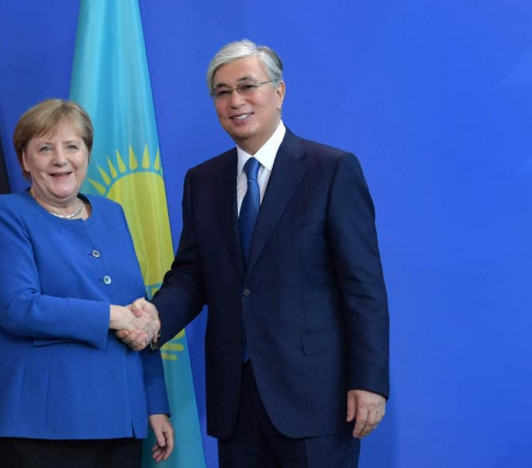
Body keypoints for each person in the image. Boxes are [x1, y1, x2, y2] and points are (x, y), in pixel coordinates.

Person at [123, 39, 389, 467]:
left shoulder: (331, 170)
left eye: (247, 86)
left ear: (279, 92)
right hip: (236, 401)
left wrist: (369, 380)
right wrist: (155, 317)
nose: (235, 101)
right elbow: (192, 275)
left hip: (317, 399)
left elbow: (364, 287)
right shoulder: (202, 181)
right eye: (222, 91)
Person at [0, 98, 174, 468]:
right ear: (25, 160)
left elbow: (138, 311)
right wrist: (112, 316)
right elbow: (17, 307)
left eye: (72, 146)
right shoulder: (6, 214)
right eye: (45, 149)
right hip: (40, 425)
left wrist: (155, 403)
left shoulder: (112, 214)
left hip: (120, 418)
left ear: (86, 154)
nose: (60, 159)